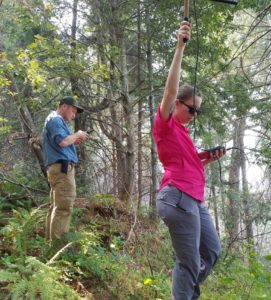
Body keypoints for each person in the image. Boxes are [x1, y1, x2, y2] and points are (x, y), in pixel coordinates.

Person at [153, 21, 225, 300]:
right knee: (189, 262)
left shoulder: (182, 133)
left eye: (198, 112)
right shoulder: (166, 123)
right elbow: (169, 90)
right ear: (179, 104)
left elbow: (189, 164)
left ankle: (186, 292)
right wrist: (179, 47)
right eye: (192, 109)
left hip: (192, 199)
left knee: (211, 252)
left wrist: (208, 158)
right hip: (177, 197)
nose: (194, 115)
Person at [42, 96, 89, 241]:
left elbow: (62, 143)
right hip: (62, 170)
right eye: (73, 110)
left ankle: (50, 246)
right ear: (64, 106)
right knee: (64, 208)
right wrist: (77, 134)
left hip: (57, 168)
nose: (74, 115)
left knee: (56, 207)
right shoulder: (55, 120)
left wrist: (74, 139)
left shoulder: (55, 120)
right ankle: (58, 250)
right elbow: (62, 142)